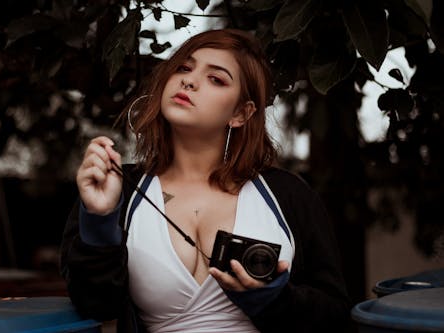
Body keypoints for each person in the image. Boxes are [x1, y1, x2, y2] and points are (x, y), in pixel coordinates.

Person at [60, 28, 351, 332]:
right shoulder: (121, 189)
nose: (189, 80)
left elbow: (337, 317)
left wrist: (275, 299)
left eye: (216, 79)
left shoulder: (288, 195)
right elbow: (94, 305)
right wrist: (99, 219)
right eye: (183, 68)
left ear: (240, 113)